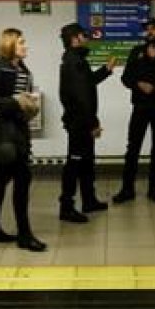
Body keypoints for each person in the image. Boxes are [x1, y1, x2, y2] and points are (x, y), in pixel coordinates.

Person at [0, 28, 46, 252]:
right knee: (22, 181)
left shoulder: (21, 68)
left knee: (0, 182)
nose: (25, 46)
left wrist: (27, 104)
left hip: (17, 132)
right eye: (21, 42)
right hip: (6, 135)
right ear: (9, 45)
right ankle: (24, 235)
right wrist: (16, 101)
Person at [113, 16, 155, 204]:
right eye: (147, 29)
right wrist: (139, 84)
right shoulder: (136, 52)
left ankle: (154, 189)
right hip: (140, 107)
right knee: (132, 148)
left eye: (153, 29)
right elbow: (126, 78)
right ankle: (127, 190)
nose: (149, 32)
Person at [57, 22, 117, 223]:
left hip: (80, 120)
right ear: (75, 39)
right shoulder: (74, 62)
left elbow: (88, 82)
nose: (86, 38)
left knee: (86, 163)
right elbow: (82, 97)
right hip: (79, 123)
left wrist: (106, 70)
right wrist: (93, 123)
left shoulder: (76, 60)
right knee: (74, 165)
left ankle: (89, 200)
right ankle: (66, 207)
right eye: (84, 35)